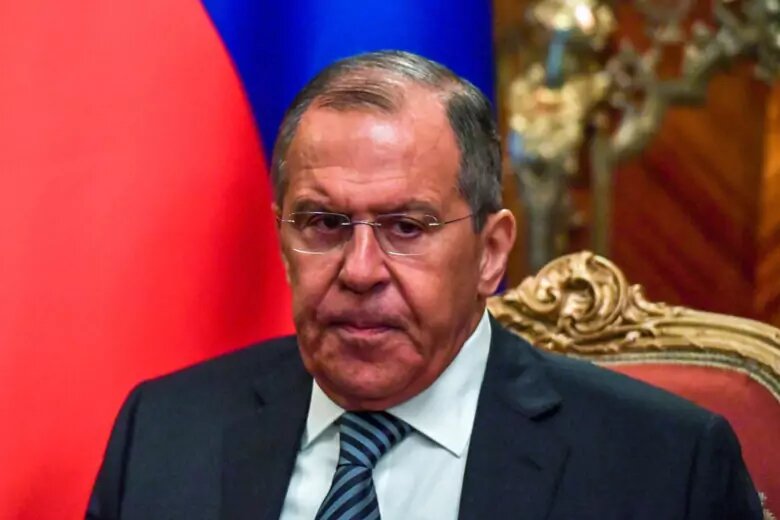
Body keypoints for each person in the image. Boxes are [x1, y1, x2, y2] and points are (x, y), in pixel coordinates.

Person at [86, 50, 762, 520]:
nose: (359, 270)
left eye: (406, 227)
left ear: (491, 253)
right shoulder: (165, 431)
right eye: (323, 223)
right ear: (282, 237)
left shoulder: (666, 466)